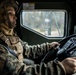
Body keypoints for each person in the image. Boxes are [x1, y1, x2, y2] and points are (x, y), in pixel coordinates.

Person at [0, 0, 76, 75]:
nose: (15, 17)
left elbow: (27, 50)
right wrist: (60, 68)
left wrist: (47, 46)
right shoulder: (1, 46)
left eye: (14, 14)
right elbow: (20, 71)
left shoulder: (10, 35)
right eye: (10, 14)